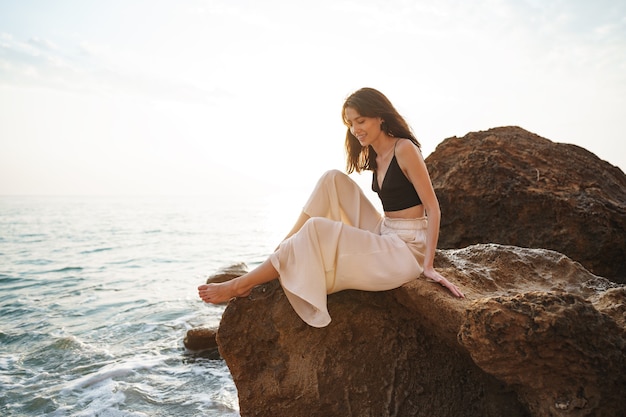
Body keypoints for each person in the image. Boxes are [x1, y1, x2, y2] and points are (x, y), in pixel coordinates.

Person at [198, 87, 464, 328]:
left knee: (316, 228)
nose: (356, 128)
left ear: (380, 117)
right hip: (386, 231)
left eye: (361, 120)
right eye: (350, 123)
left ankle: (240, 285)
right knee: (332, 178)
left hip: (406, 250)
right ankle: (284, 247)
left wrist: (427, 266)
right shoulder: (374, 153)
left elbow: (433, 208)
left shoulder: (404, 149)